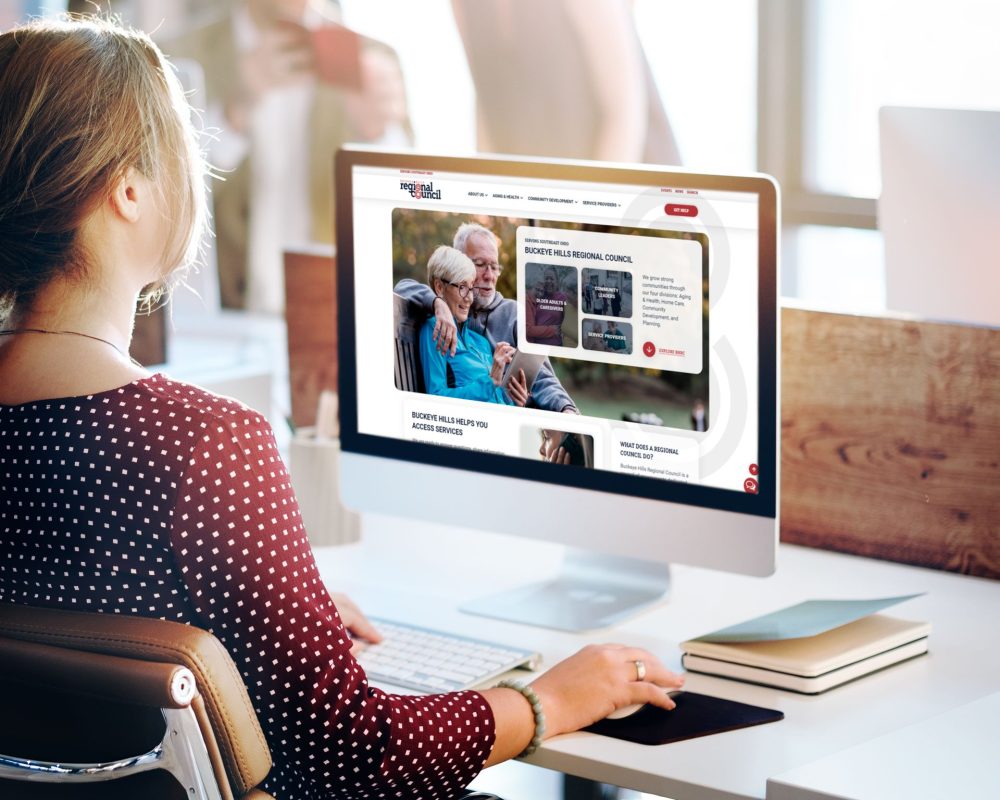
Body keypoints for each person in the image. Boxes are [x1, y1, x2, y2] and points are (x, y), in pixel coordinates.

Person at [0, 17, 683, 800]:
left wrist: (280, 603)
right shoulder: (203, 446)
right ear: (127, 190)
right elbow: (355, 757)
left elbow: (80, 598)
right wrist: (552, 700)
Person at [163, 0, 412, 313]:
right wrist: (233, 112)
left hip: (331, 313)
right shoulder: (178, 52)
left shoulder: (371, 57)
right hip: (217, 316)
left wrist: (376, 133)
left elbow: (406, 212)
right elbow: (162, 197)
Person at [396, 222, 579, 413]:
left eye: (494, 267)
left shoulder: (507, 320)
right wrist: (437, 303)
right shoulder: (440, 322)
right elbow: (403, 287)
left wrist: (561, 407)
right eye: (480, 265)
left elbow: (542, 377)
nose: (489, 275)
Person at [419, 246, 523, 406]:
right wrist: (490, 381)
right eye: (462, 287)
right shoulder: (435, 330)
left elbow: (492, 395)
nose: (469, 298)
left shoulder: (480, 342)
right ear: (440, 287)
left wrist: (515, 400)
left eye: (471, 288)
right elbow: (437, 398)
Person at [525, 266, 569, 347]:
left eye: (551, 279)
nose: (548, 281)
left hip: (554, 346)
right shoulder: (541, 295)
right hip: (535, 345)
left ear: (557, 281)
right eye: (546, 278)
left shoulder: (563, 298)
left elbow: (569, 321)